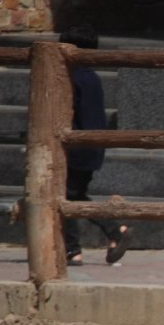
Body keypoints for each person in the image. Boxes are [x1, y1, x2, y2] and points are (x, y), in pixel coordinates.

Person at [59, 24, 132, 265]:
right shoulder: (91, 77)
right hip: (92, 147)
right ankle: (114, 232)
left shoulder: (72, 78)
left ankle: (73, 250)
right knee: (76, 196)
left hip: (77, 146)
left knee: (66, 199)